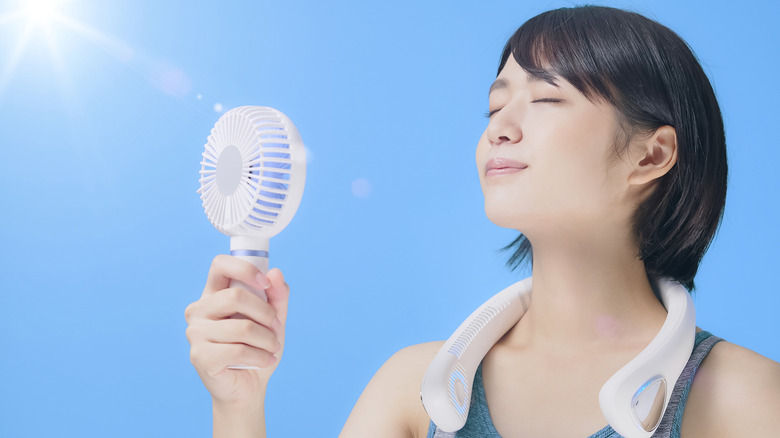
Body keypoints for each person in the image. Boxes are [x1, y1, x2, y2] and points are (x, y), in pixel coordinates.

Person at [184, 5, 780, 437]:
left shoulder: (747, 400)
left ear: (650, 155)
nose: (500, 126)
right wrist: (238, 404)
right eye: (496, 105)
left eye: (546, 99)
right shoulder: (413, 390)